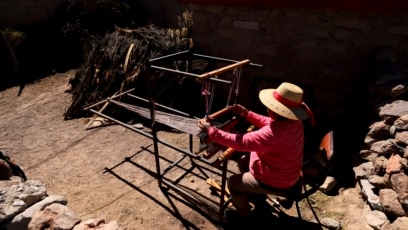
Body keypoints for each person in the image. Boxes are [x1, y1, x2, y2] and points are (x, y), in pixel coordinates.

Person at [197, 82, 315, 218]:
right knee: (243, 161)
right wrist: (247, 114)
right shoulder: (294, 123)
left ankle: (244, 214)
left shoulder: (273, 134)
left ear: (279, 111)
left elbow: (240, 142)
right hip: (288, 174)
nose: (267, 109)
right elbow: (268, 122)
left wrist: (211, 130)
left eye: (271, 107)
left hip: (276, 182)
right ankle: (256, 195)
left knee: (233, 183)